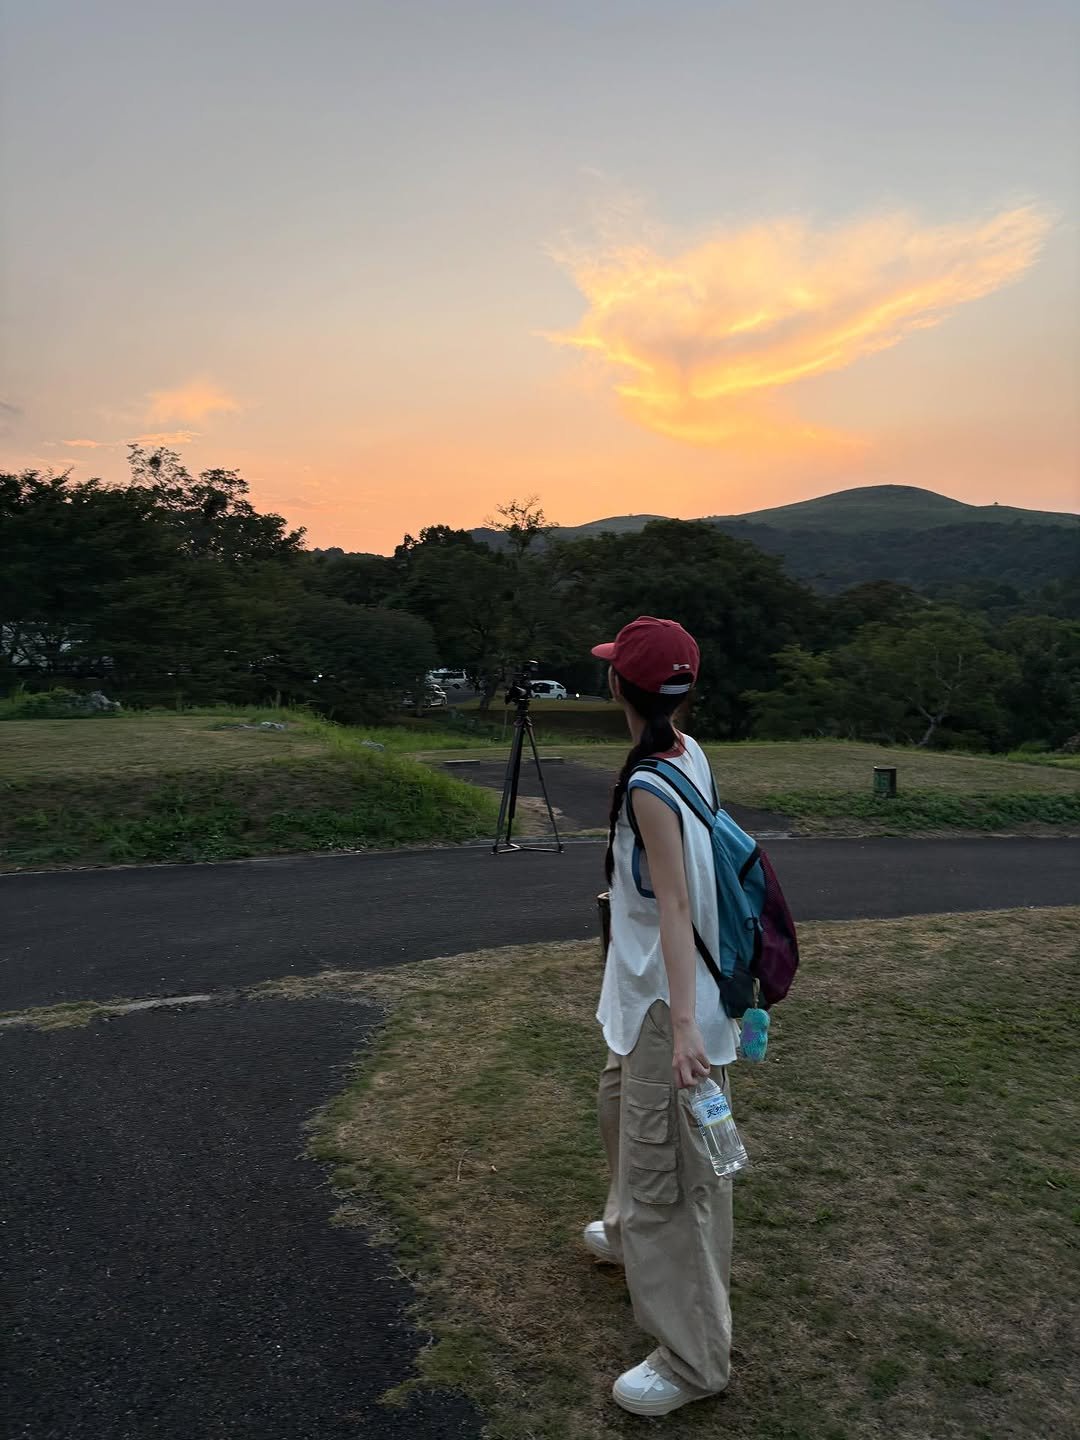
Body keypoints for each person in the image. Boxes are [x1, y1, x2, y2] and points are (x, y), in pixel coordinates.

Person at [583, 615, 739, 1417]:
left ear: (619, 686)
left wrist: (683, 1030)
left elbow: (674, 904)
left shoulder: (650, 783)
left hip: (666, 1004)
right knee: (621, 1104)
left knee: (670, 1181)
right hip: (641, 992)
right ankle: (621, 1231)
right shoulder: (686, 752)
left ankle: (692, 1359)